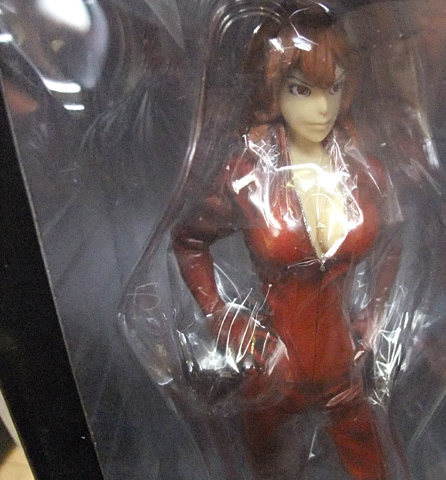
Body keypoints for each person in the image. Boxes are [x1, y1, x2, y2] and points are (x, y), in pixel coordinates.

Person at [172, 3, 402, 478]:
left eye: (334, 88)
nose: (323, 108)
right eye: (302, 89)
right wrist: (223, 319)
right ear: (273, 88)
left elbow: (393, 239)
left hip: (344, 368)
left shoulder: (364, 171)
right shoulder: (248, 174)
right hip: (274, 372)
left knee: (376, 468)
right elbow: (189, 240)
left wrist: (376, 313)